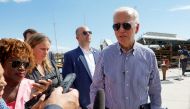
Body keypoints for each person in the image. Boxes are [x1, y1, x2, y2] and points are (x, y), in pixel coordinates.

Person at [89, 7, 161, 109]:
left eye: (126, 25)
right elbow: (96, 88)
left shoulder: (149, 55)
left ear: (137, 28)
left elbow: (155, 90)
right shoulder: (104, 55)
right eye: (116, 26)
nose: (121, 30)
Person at [0, 38, 51, 109]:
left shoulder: (33, 88)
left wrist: (45, 93)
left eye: (26, 64)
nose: (22, 68)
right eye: (16, 63)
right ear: (1, 63)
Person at [62, 26, 100, 109]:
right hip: (83, 103)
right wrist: (76, 103)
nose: (88, 34)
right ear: (77, 37)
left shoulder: (99, 53)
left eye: (90, 32)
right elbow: (68, 83)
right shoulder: (70, 56)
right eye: (85, 33)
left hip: (101, 101)